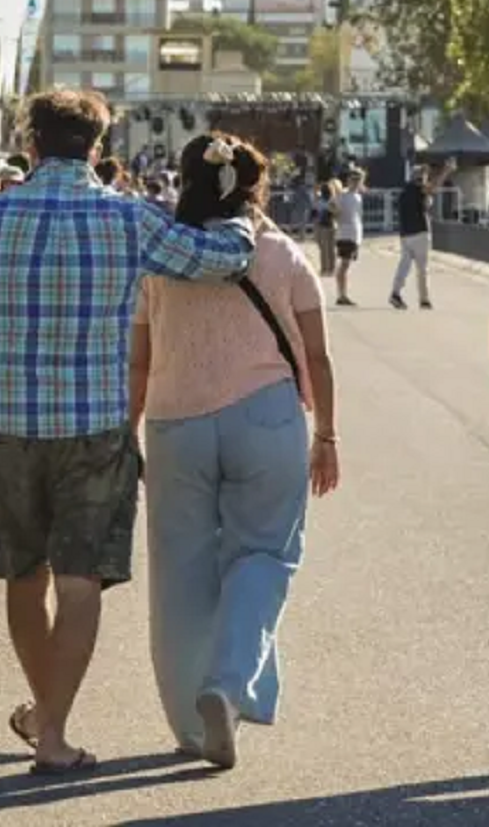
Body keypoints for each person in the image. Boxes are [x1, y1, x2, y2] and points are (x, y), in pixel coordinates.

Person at [0, 89, 253, 774]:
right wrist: (240, 223)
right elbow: (217, 257)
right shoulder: (128, 219)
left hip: (11, 430)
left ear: (31, 145)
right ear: (95, 147)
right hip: (95, 429)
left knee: (24, 580)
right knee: (82, 582)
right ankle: (53, 728)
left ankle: (49, 722)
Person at [129, 133, 339, 770]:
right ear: (256, 188)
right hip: (266, 418)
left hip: (174, 421)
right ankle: (228, 682)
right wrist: (327, 433)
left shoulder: (160, 260)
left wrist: (124, 433)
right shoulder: (283, 255)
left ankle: (192, 727)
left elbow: (138, 359)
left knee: (179, 574)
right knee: (266, 554)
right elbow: (319, 356)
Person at [391, 162, 450, 311]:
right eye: (424, 176)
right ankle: (424, 299)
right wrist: (446, 171)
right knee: (422, 268)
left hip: (405, 233)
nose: (426, 178)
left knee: (404, 264)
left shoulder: (404, 192)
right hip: (420, 231)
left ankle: (395, 292)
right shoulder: (418, 190)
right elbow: (433, 188)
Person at [333, 169, 366, 306]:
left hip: (355, 235)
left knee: (346, 265)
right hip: (345, 233)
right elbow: (331, 207)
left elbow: (358, 216)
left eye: (358, 179)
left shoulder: (358, 197)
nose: (355, 182)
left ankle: (343, 294)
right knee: (344, 265)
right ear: (348, 180)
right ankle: (342, 295)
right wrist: (338, 215)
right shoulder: (343, 195)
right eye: (353, 179)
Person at [312, 182, 338, 276]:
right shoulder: (333, 200)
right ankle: (332, 269)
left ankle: (324, 269)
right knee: (331, 249)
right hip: (333, 225)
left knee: (324, 249)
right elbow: (337, 214)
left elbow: (314, 215)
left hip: (322, 226)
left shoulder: (318, 201)